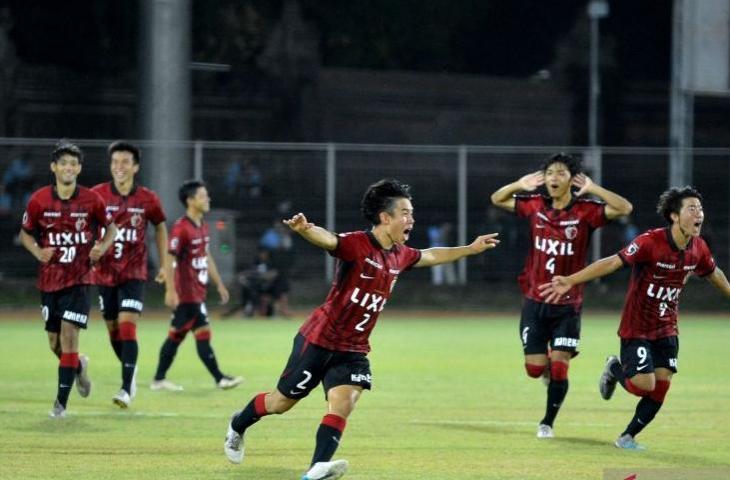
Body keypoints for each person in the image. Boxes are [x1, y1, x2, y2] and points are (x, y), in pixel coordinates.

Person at [223, 178, 500, 480]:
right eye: (405, 213)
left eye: (411, 213)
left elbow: (432, 254)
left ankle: (315, 469)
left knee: (344, 402)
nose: (412, 219)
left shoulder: (400, 254)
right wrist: (305, 230)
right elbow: (329, 240)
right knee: (280, 403)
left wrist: (470, 249)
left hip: (353, 349)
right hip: (319, 339)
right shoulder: (357, 245)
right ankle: (238, 424)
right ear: (385, 217)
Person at [539, 186, 730, 450]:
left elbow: (713, 272)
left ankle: (627, 437)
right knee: (643, 385)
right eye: (692, 208)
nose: (699, 214)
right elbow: (612, 262)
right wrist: (571, 280)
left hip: (667, 328)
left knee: (661, 387)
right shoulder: (650, 242)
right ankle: (614, 368)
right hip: (637, 328)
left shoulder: (698, 248)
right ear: (674, 216)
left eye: (700, 209)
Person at [490, 153, 633, 439]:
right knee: (535, 368)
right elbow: (497, 199)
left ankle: (547, 423)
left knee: (559, 365)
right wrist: (519, 183)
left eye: (561, 173)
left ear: (571, 179)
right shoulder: (535, 206)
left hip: (569, 306)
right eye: (550, 173)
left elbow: (624, 207)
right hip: (534, 301)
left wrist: (593, 188)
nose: (554, 178)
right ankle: (546, 370)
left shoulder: (585, 211)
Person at [19, 140, 117, 418]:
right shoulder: (39, 200)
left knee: (69, 336)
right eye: (63, 163)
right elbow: (25, 232)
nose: (68, 168)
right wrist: (38, 251)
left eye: (73, 163)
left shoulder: (91, 200)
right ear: (54, 167)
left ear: (79, 168)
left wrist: (101, 247)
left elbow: (111, 230)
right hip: (50, 281)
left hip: (80, 279)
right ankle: (79, 367)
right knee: (55, 344)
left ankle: (60, 405)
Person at [91, 141, 174, 408]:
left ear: (136, 167)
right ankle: (131, 369)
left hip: (134, 273)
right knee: (114, 331)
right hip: (104, 275)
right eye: (115, 162)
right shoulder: (97, 195)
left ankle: (126, 388)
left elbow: (160, 227)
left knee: (127, 327)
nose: (120, 167)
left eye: (125, 162)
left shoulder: (147, 198)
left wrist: (163, 264)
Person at [150, 179, 243, 391]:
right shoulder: (182, 228)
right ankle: (219, 378)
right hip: (186, 294)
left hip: (196, 292)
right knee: (193, 335)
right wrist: (171, 290)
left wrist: (219, 283)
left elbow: (206, 255)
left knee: (181, 335)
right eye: (202, 196)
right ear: (190, 201)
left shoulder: (201, 225)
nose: (207, 198)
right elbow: (170, 256)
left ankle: (160, 379)